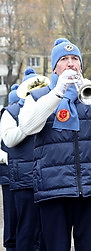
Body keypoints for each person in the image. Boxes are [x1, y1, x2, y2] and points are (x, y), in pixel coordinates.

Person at [17, 38, 91, 250]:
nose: (70, 64)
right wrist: (57, 93)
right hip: (53, 188)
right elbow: (28, 127)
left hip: (90, 186)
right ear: (55, 67)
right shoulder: (38, 96)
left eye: (75, 59)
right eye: (64, 59)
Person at [1, 69, 46, 250]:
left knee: (46, 232)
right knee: (27, 231)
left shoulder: (49, 108)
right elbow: (9, 140)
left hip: (47, 178)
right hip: (25, 180)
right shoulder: (12, 112)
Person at [0, 84, 19, 251]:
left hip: (19, 175)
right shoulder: (7, 116)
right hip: (8, 175)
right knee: (12, 215)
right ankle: (11, 245)